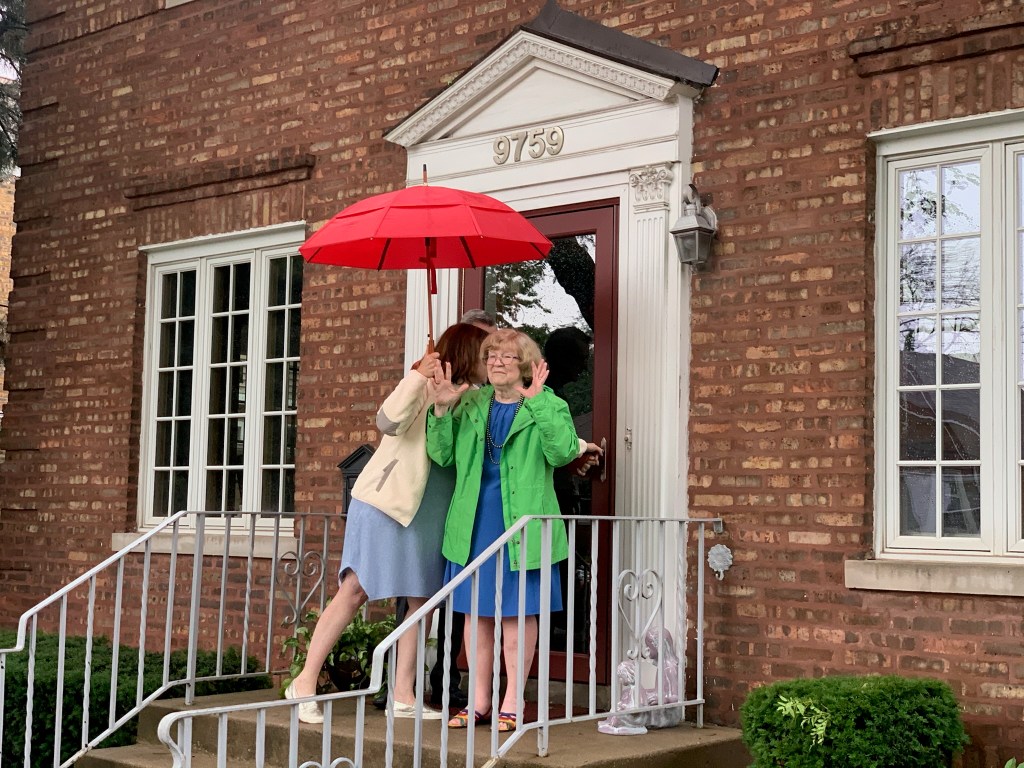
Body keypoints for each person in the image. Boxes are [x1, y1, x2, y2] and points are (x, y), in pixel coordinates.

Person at [285, 323, 489, 724]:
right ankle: (305, 680)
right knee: (356, 588)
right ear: (467, 353)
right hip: (387, 501)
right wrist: (418, 376)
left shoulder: (479, 398)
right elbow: (387, 421)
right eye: (486, 353)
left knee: (421, 598)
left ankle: (403, 694)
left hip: (434, 508)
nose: (491, 360)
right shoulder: (423, 382)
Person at [427, 328, 602, 732]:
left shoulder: (549, 403)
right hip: (473, 524)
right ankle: (479, 700)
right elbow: (442, 456)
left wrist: (538, 401)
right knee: (476, 616)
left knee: (516, 617)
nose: (496, 362)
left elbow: (560, 453)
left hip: (522, 525)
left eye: (506, 356)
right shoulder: (470, 401)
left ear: (524, 364)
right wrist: (439, 411)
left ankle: (513, 700)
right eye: (491, 356)